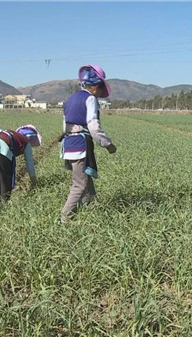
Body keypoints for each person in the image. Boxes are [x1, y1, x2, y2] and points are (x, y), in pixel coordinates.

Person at [59, 64, 117, 222]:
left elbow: (65, 126)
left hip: (68, 144)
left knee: (85, 178)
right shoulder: (90, 98)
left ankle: (91, 209)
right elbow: (93, 126)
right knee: (79, 184)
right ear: (96, 87)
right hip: (80, 145)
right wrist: (107, 144)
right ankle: (65, 217)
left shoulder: (71, 99)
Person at [0, 125, 41, 204]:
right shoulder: (26, 142)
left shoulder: (12, 134)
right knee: (5, 178)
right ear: (31, 139)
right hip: (1, 146)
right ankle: (4, 204)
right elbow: (30, 164)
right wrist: (34, 182)